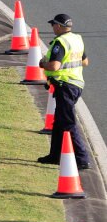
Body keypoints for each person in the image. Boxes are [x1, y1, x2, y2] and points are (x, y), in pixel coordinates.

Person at [36, 14, 92, 170]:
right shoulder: (76, 39)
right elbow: (85, 62)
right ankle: (54, 156)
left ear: (59, 26)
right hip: (75, 84)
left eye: (53, 25)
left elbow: (54, 66)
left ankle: (82, 159)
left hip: (65, 85)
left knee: (68, 122)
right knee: (59, 122)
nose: (52, 27)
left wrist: (42, 64)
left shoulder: (60, 43)